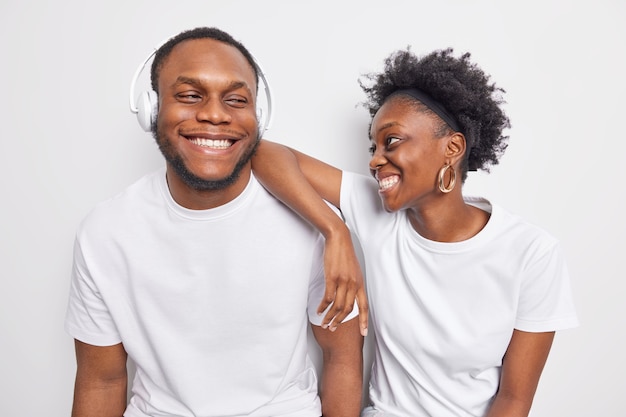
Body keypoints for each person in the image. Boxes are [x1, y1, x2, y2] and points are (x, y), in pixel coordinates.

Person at [252, 47, 579, 416]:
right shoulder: (372, 209)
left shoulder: (531, 253)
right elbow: (262, 153)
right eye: (373, 146)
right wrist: (334, 230)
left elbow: (514, 400)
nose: (375, 159)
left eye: (391, 141)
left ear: (452, 147)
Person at [65, 27, 366, 417]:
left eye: (236, 100)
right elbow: (101, 380)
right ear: (151, 109)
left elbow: (341, 357)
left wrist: (334, 228)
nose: (213, 114)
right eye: (190, 96)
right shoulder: (104, 233)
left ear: (259, 117)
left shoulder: (314, 225)